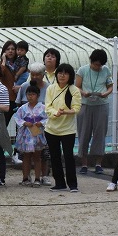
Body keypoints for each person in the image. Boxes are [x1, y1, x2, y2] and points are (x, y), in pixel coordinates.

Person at [44, 63, 82, 192]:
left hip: (68, 130)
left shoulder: (74, 90)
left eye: (66, 73)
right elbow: (47, 107)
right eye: (60, 72)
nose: (62, 75)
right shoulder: (51, 89)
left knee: (68, 156)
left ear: (70, 76)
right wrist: (56, 113)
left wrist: (65, 112)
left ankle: (73, 184)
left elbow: (76, 108)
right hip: (51, 129)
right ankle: (59, 183)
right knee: (55, 157)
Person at [76, 49, 113, 175]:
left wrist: (105, 94)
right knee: (83, 132)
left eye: (100, 65)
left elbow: (110, 86)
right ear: (91, 61)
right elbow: (77, 86)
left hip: (101, 104)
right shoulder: (82, 70)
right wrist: (83, 93)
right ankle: (84, 163)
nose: (97, 67)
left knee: (100, 133)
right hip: (85, 104)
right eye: (95, 64)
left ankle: (98, 163)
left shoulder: (106, 70)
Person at [14, 85, 46, 186]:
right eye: (28, 94)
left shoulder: (43, 107)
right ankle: (25, 178)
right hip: (25, 135)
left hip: (37, 133)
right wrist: (24, 123)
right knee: (26, 157)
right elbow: (17, 118)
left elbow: (48, 118)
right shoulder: (23, 108)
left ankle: (37, 178)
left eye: (33, 94)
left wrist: (41, 123)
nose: (30, 97)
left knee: (37, 156)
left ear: (38, 95)